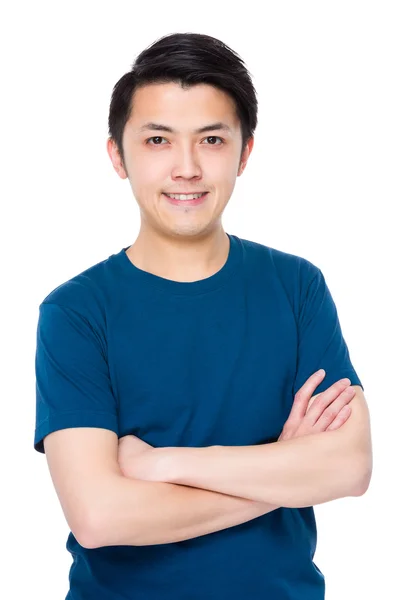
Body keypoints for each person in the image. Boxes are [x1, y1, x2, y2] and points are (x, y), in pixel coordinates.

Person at [34, 32, 371, 600]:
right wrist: (282, 472)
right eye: (158, 140)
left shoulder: (296, 288)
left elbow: (349, 468)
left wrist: (161, 463)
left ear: (244, 153)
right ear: (119, 155)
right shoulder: (76, 311)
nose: (186, 167)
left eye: (211, 139)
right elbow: (100, 516)